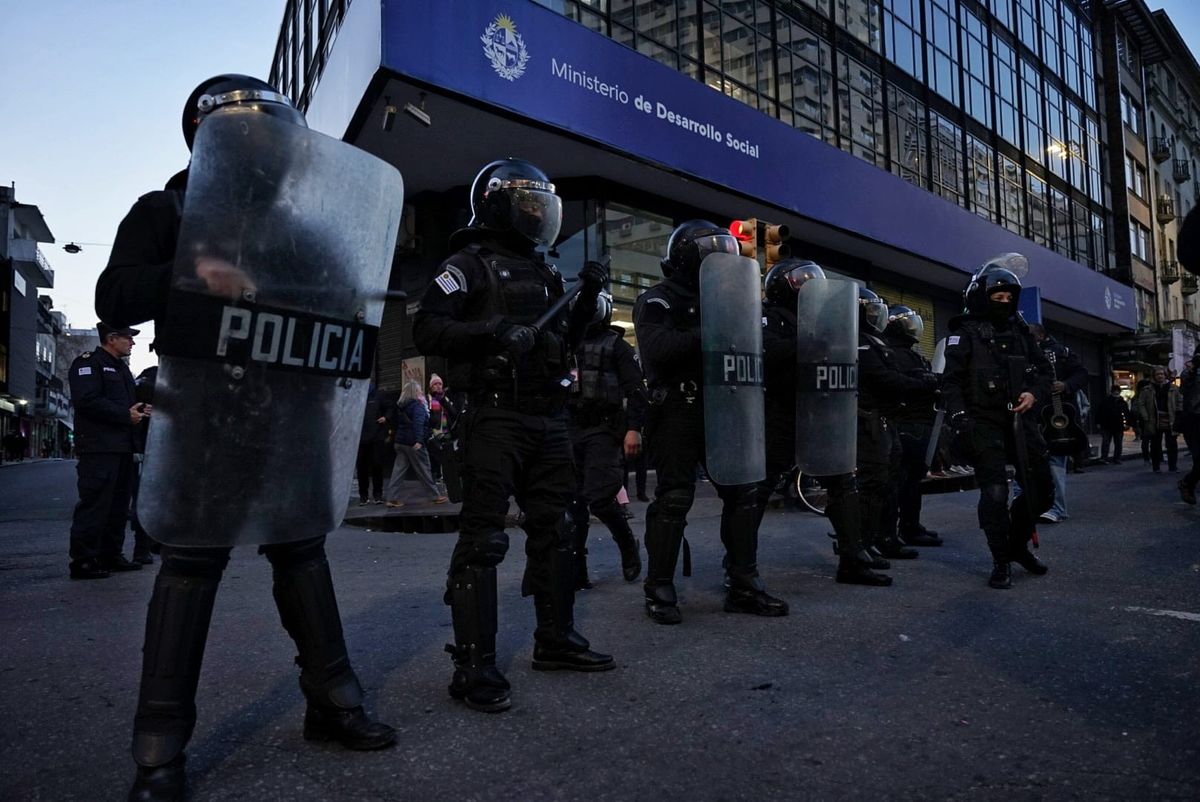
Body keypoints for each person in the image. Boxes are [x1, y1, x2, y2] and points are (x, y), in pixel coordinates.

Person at [95, 74, 396, 801]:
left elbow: (342, 310)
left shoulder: (299, 227)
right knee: (192, 564)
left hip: (290, 412)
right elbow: (114, 296)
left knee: (301, 547)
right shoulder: (167, 208)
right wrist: (191, 268)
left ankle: (334, 701)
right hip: (205, 414)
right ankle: (159, 748)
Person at [412, 157, 615, 714]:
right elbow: (426, 325)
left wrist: (584, 299)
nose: (536, 215)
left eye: (540, 205)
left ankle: (554, 641)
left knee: (559, 529)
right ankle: (473, 666)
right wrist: (492, 331)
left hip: (548, 417)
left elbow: (564, 340)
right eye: (525, 204)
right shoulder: (466, 264)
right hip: (495, 416)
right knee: (484, 539)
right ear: (497, 207)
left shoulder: (546, 270)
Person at [633, 219, 789, 624]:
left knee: (743, 493)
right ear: (688, 256)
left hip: (729, 406)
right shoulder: (659, 300)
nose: (720, 256)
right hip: (679, 410)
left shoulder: (736, 300)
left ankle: (743, 584)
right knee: (674, 498)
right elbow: (657, 351)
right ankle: (660, 588)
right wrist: (715, 332)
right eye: (710, 250)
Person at [757, 258, 890, 586]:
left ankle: (852, 558)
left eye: (811, 280)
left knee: (843, 482)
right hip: (781, 413)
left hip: (820, 411)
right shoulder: (767, 317)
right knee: (760, 488)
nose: (807, 286)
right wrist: (808, 344)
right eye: (800, 280)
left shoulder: (818, 319)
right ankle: (740, 567)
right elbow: (768, 352)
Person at [941, 258, 1054, 589]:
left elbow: (1045, 373)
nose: (1003, 303)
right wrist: (961, 418)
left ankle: (1017, 546)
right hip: (983, 421)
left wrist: (1033, 393)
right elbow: (950, 382)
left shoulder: (1022, 333)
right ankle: (1001, 559)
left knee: (1042, 491)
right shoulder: (965, 334)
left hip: (1021, 421)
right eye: (997, 297)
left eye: (1009, 298)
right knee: (994, 494)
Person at [565, 290, 646, 588]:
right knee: (573, 505)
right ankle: (576, 571)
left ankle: (627, 545)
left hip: (604, 429)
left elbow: (636, 390)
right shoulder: (566, 346)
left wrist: (634, 428)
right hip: (570, 429)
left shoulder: (617, 346)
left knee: (599, 498)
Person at [66, 322, 149, 579]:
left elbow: (125, 404)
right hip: (99, 448)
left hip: (122, 448)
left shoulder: (121, 368)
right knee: (96, 503)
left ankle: (110, 555)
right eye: (128, 338)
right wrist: (125, 416)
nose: (132, 343)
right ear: (112, 338)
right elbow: (86, 400)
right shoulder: (89, 364)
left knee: (118, 505)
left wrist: (140, 410)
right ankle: (83, 560)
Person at [856, 289, 934, 562]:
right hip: (879, 422)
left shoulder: (877, 344)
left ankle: (882, 537)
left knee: (890, 484)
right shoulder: (862, 345)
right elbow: (886, 379)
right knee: (878, 485)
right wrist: (923, 383)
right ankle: (867, 541)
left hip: (890, 423)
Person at [882, 305, 943, 547]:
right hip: (907, 422)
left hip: (920, 421)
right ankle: (900, 529)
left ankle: (910, 524)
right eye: (907, 323)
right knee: (903, 479)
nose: (914, 328)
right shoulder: (893, 353)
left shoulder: (910, 353)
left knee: (913, 479)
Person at [1028, 324, 1089, 523]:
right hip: (1033, 414)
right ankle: (1028, 506)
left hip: (1056, 415)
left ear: (1041, 336)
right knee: (1028, 463)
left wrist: (1065, 385)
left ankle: (1057, 508)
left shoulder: (1062, 353)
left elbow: (1082, 374)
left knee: (1055, 462)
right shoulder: (1026, 353)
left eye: (1032, 337)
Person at [383, 380, 447, 507]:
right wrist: (418, 440)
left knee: (398, 471)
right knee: (424, 468)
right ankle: (435, 496)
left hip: (400, 442)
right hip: (413, 443)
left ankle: (391, 498)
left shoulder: (401, 405)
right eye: (419, 390)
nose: (422, 392)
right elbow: (418, 424)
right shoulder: (417, 405)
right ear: (415, 392)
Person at [128, 365, 159, 564]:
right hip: (154, 449)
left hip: (146, 449)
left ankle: (145, 547)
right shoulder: (153, 378)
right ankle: (144, 547)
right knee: (149, 499)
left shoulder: (146, 378)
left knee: (145, 498)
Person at [1137, 367, 1181, 473]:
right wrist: (1145, 416)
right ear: (1154, 376)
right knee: (1155, 444)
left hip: (1170, 418)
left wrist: (1179, 414)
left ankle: (1173, 466)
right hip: (1154, 419)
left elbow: (1180, 401)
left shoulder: (1173, 388)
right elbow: (1140, 403)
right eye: (1157, 374)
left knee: (1172, 443)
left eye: (1162, 374)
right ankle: (1156, 467)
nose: (1160, 376)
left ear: (1165, 375)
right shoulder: (1147, 389)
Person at [356, 384, 387, 505]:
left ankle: (377, 494)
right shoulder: (357, 395)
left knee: (377, 465)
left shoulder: (379, 395)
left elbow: (389, 408)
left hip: (376, 437)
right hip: (361, 437)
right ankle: (363, 495)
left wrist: (385, 417)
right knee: (362, 468)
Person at [426, 373, 457, 488]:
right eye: (435, 384)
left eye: (440, 384)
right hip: (434, 433)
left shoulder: (445, 398)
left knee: (447, 456)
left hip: (447, 432)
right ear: (431, 387)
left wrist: (444, 400)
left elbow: (453, 413)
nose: (438, 386)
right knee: (435, 458)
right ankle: (437, 478)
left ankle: (445, 479)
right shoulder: (428, 399)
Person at [1178, 350, 1200, 504]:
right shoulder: (1189, 373)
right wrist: (1193, 370)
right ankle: (1188, 483)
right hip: (1195, 421)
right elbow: (1184, 390)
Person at [1097, 384, 1130, 465]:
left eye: (1117, 391)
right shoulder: (1106, 401)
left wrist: (1128, 423)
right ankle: (1104, 457)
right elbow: (1099, 412)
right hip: (1107, 425)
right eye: (1114, 391)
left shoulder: (1122, 402)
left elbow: (1127, 414)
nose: (1116, 393)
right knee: (1106, 442)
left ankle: (1117, 458)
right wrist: (1098, 422)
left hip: (1118, 425)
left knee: (1118, 442)